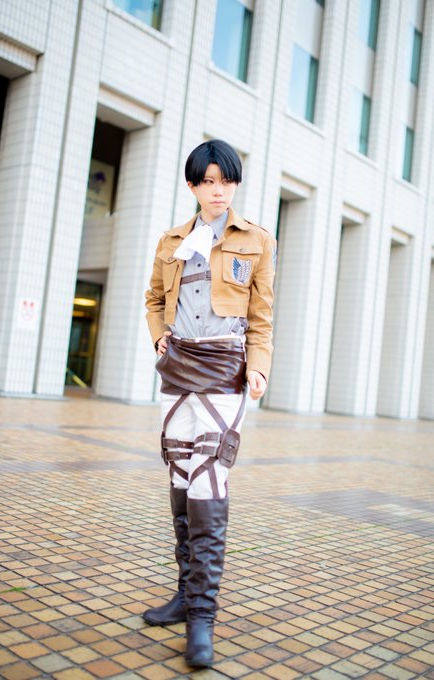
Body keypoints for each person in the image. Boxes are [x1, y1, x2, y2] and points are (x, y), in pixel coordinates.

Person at [144, 139, 276, 668]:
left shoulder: (257, 240)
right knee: (180, 476)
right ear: (193, 186)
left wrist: (258, 365)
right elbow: (155, 298)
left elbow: (262, 314)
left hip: (225, 366)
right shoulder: (171, 240)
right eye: (209, 181)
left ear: (235, 184)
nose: (219, 190)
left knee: (209, 478)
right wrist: (158, 334)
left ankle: (202, 614)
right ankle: (184, 594)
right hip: (177, 366)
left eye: (227, 181)